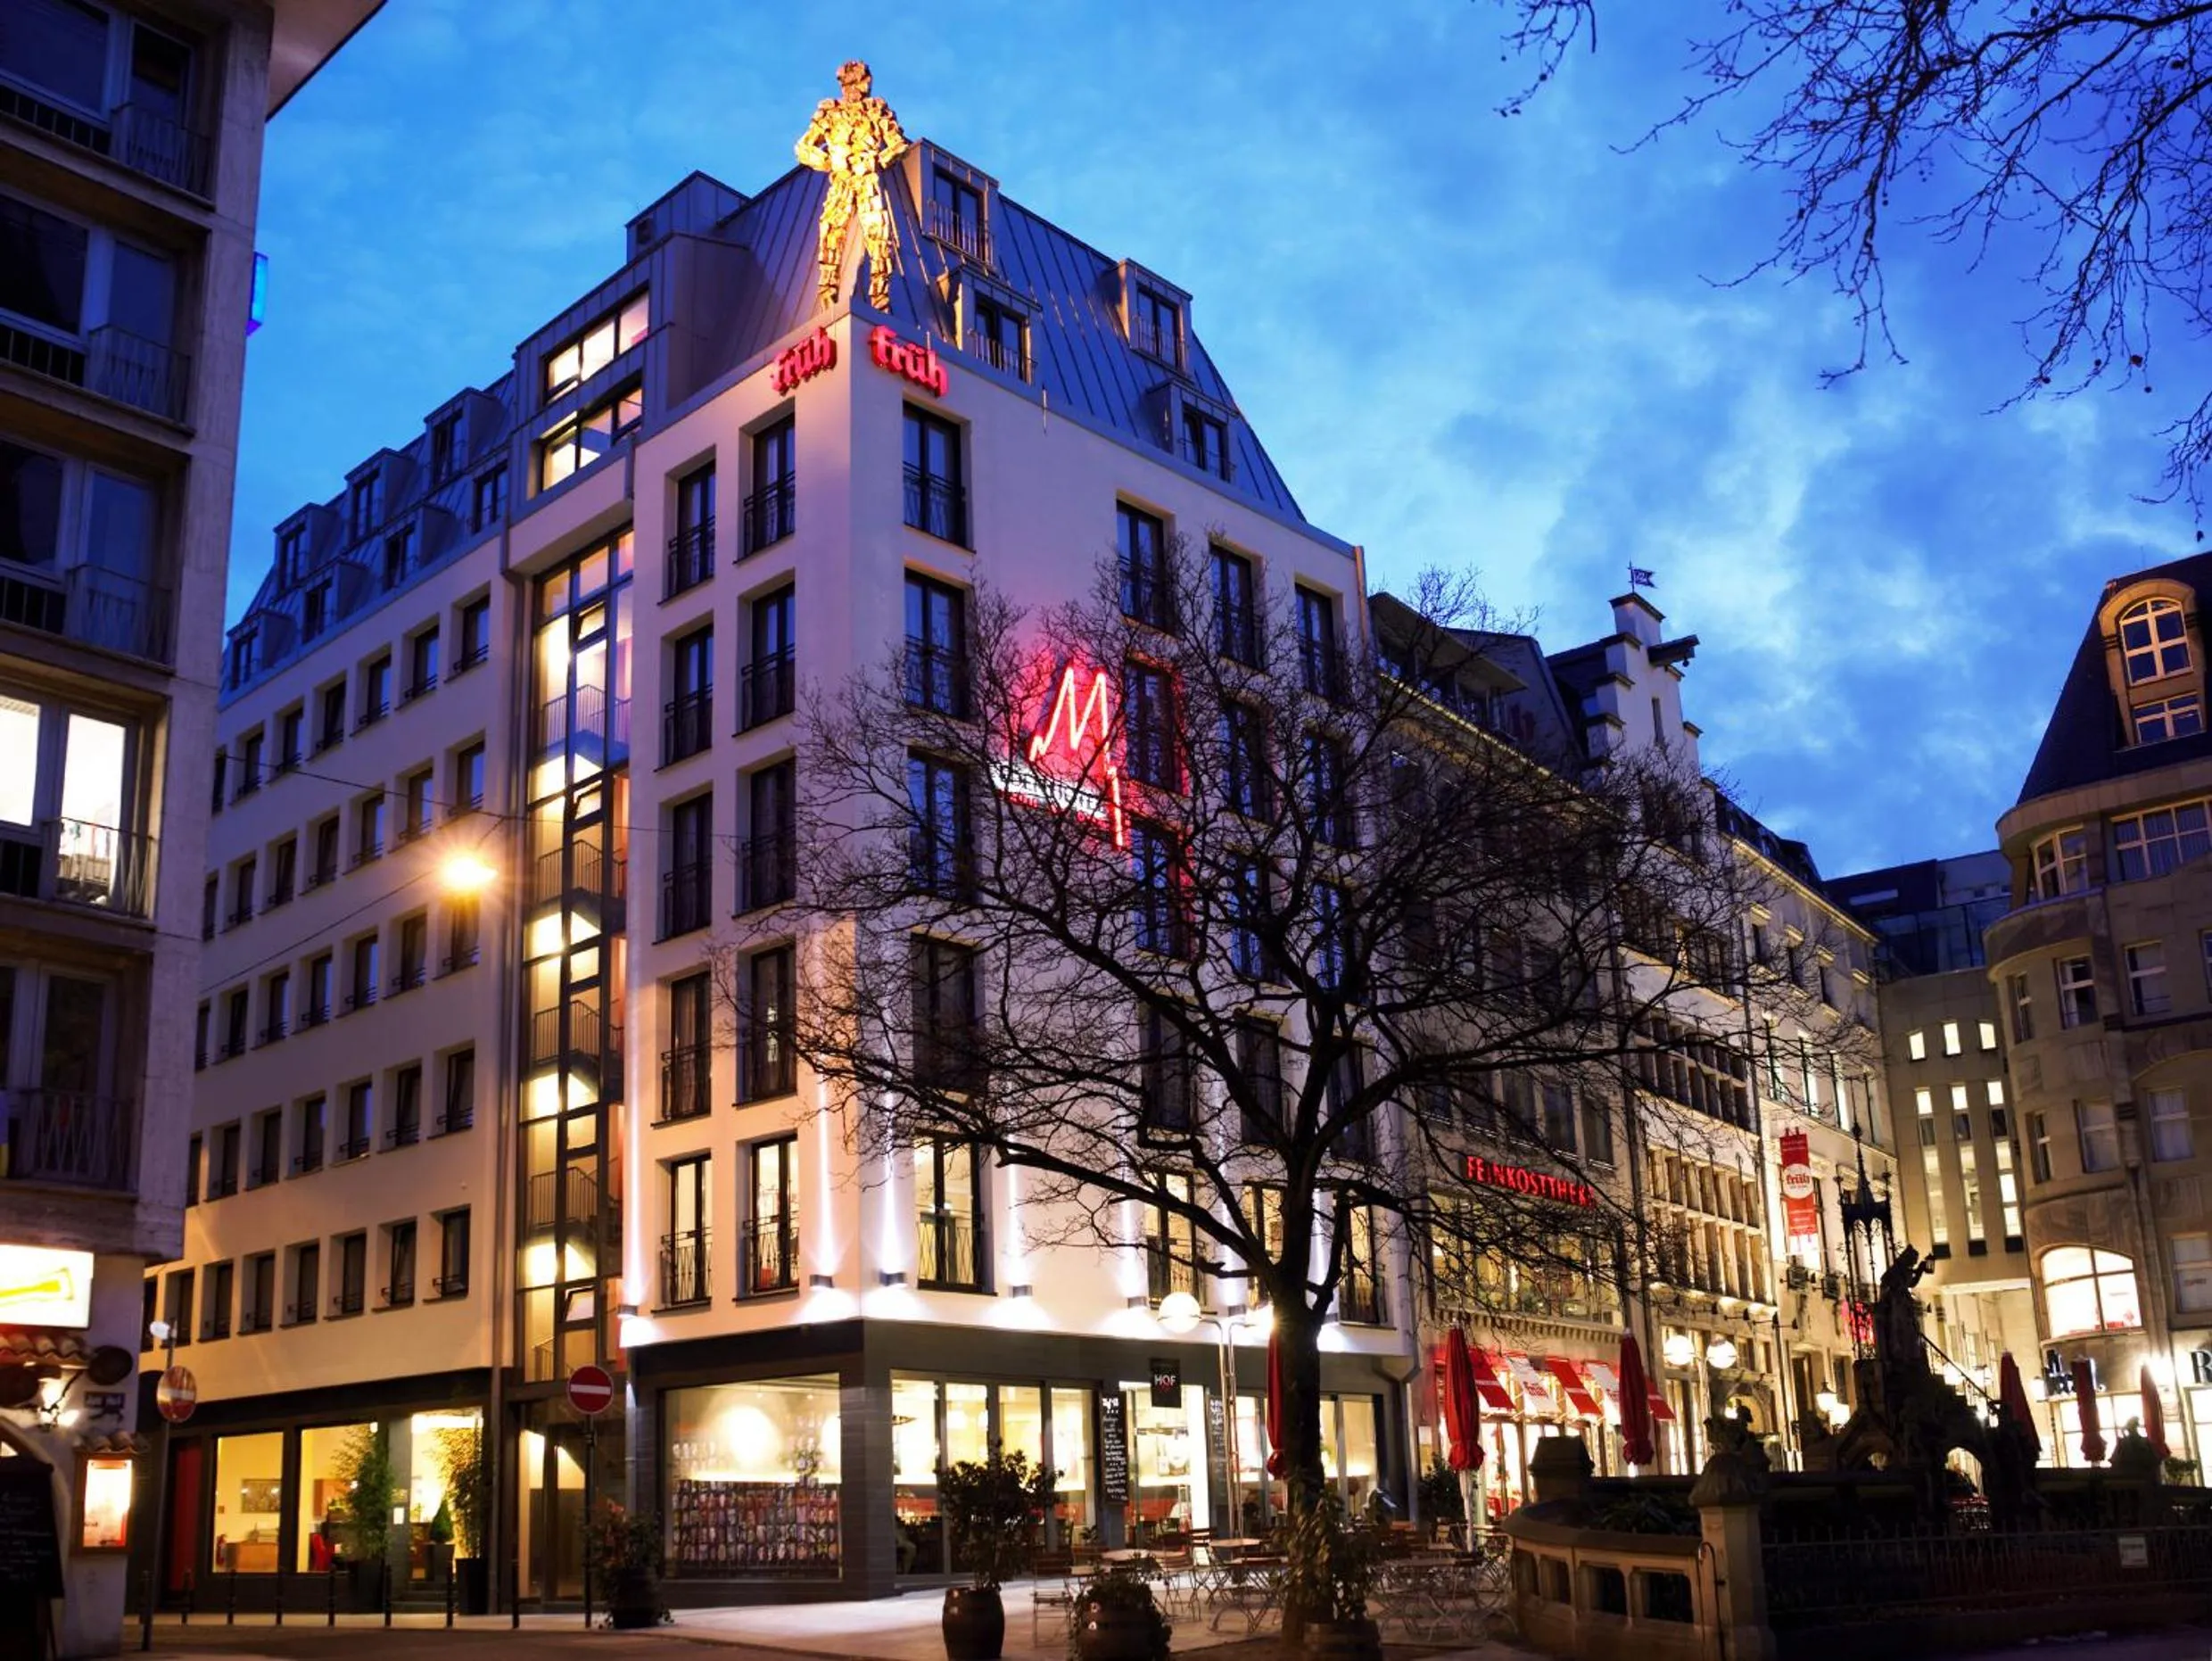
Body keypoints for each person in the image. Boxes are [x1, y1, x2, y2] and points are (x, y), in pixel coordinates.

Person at [794, 62, 910, 312]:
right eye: (855, 83)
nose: (859, 88)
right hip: (842, 178)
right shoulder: (829, 113)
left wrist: (876, 160)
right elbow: (803, 148)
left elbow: (898, 144)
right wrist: (829, 162)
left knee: (878, 234)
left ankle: (880, 296)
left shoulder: (876, 110)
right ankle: (828, 287)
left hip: (867, 178)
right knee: (832, 229)